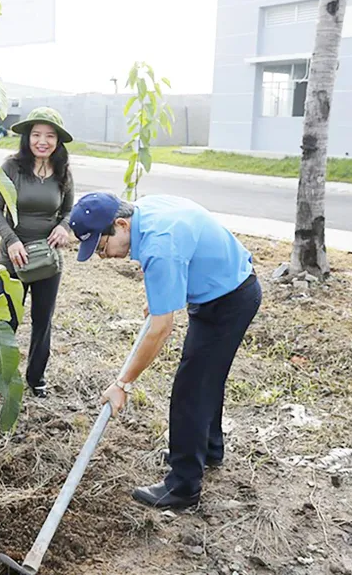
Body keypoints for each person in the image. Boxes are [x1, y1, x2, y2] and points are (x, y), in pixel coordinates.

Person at [71, 191, 261, 510]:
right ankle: (208, 450)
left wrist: (123, 384)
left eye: (102, 246)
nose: (102, 256)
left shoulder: (160, 245)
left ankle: (184, 486)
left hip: (228, 301)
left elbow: (161, 330)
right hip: (225, 285)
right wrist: (165, 290)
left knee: (191, 389)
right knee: (206, 378)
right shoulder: (146, 211)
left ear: (120, 224)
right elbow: (179, 253)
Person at [0, 108, 75, 397]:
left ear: (58, 141)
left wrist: (64, 227)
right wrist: (11, 240)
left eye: (50, 136)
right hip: (13, 257)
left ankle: (36, 378)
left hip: (48, 260)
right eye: (37, 134)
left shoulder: (63, 170)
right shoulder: (11, 167)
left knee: (43, 320)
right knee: (7, 320)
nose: (43, 141)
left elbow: (68, 210)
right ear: (27, 137)